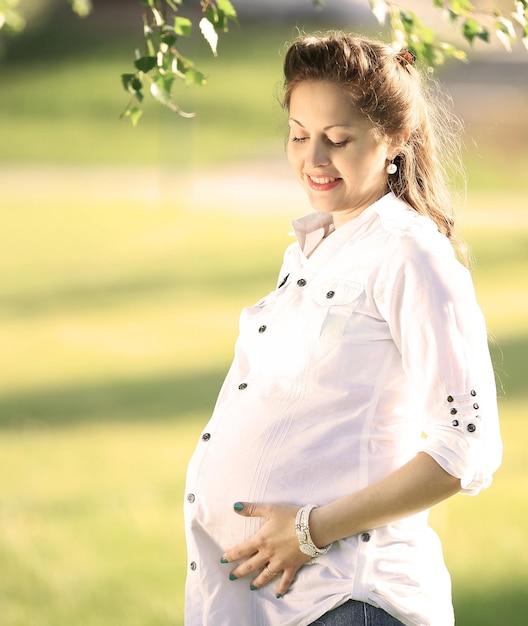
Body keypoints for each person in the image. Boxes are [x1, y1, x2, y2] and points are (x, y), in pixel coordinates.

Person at [184, 32, 502, 626]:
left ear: (395, 140)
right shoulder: (313, 248)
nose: (314, 159)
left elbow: (465, 448)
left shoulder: (411, 254)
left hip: (349, 600)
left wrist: (308, 531)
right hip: (276, 601)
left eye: (337, 139)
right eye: (300, 136)